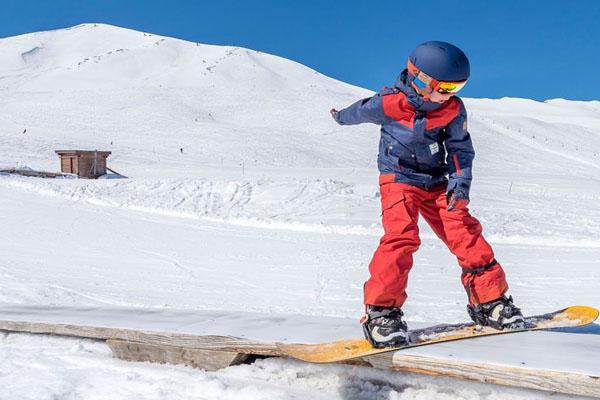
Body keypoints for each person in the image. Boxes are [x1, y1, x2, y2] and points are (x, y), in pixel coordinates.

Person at [331, 41, 524, 348]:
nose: (450, 94)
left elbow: (461, 148)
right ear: (419, 78)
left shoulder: (452, 110)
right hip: (399, 179)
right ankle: (382, 313)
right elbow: (360, 111)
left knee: (465, 233)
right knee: (401, 237)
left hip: (437, 183)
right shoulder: (388, 104)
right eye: (445, 87)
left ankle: (490, 302)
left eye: (457, 87)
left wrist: (460, 183)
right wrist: (339, 116)